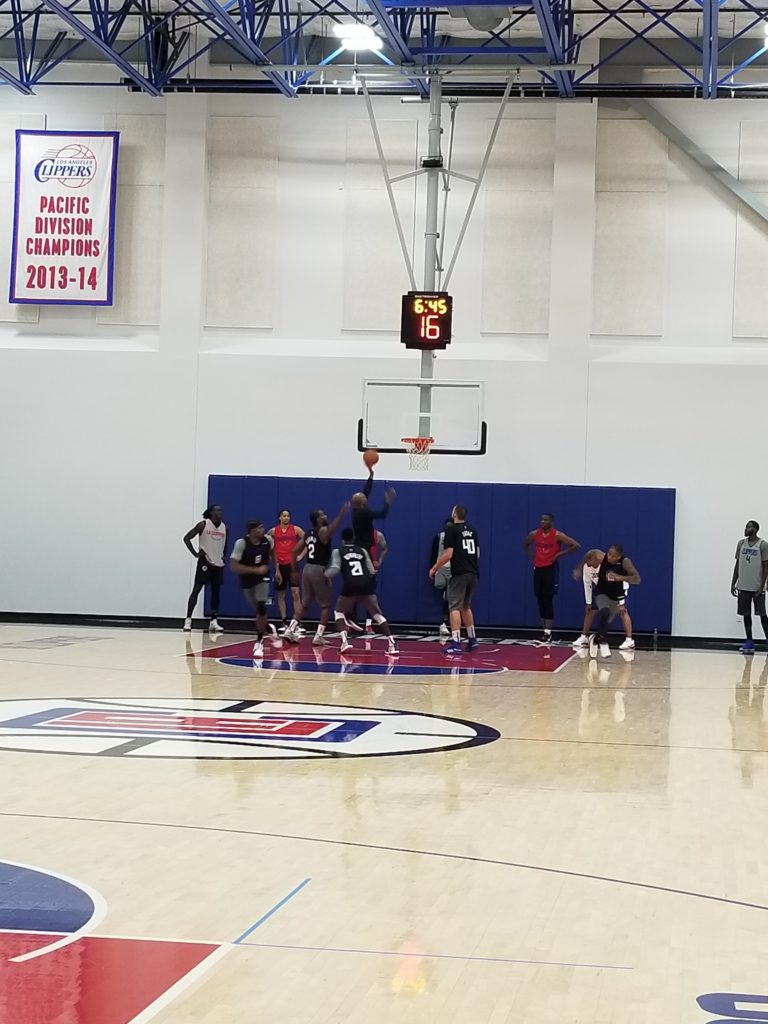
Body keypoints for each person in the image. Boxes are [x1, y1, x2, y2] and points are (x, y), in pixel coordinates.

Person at [284, 502, 349, 645]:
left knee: (305, 602)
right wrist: (341, 515)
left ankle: (290, 629)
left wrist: (294, 570)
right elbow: (332, 528)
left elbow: (294, 551)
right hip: (319, 569)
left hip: (307, 568)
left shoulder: (308, 533)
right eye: (323, 514)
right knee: (325, 605)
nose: (325, 516)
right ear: (319, 519)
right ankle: (319, 636)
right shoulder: (323, 531)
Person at [327, 528, 399, 656]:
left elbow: (335, 569)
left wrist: (325, 575)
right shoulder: (363, 551)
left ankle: (344, 642)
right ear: (354, 538)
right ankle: (392, 642)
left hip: (351, 585)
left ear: (342, 540)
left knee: (338, 611)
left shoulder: (338, 551)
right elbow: (371, 571)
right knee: (376, 614)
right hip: (366, 584)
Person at [429, 505, 480, 656]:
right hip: (473, 572)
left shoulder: (451, 530)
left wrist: (435, 568)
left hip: (460, 573)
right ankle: (472, 639)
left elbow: (449, 554)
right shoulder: (473, 530)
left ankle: (456, 643)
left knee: (454, 607)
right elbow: (477, 553)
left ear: (454, 514)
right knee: (466, 606)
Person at [523, 513, 581, 642]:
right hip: (538, 568)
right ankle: (544, 631)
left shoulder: (557, 535)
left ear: (551, 522)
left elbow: (576, 545)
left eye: (546, 520)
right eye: (541, 519)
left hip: (550, 568)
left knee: (548, 599)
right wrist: (532, 556)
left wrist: (559, 554)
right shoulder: (534, 534)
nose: (543, 521)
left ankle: (548, 632)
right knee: (540, 598)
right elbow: (526, 544)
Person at [576, 545, 641, 659]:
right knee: (594, 611)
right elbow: (587, 584)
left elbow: (631, 579)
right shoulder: (590, 564)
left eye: (612, 556)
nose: (609, 557)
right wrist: (588, 602)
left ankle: (628, 640)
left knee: (621, 612)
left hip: (618, 589)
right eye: (609, 554)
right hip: (602, 591)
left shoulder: (614, 564)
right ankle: (587, 637)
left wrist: (621, 601)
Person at [229, 520, 275, 659]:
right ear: (251, 530)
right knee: (257, 611)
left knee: (261, 607)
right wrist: (255, 570)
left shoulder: (268, 540)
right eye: (260, 528)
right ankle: (268, 628)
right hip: (247, 580)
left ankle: (259, 642)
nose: (263, 530)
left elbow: (274, 553)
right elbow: (234, 567)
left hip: (263, 579)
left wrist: (277, 570)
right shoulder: (241, 543)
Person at [183, 505, 226, 633]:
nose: (220, 511)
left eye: (221, 509)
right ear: (212, 513)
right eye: (218, 510)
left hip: (218, 563)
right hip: (205, 562)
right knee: (196, 589)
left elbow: (225, 544)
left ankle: (213, 621)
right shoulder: (203, 525)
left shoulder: (224, 527)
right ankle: (188, 620)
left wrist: (222, 556)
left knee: (215, 592)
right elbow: (186, 538)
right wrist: (195, 553)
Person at [731, 520, 768, 654]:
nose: (746, 529)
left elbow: (766, 568)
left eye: (748, 527)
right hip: (743, 585)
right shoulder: (741, 544)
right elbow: (737, 564)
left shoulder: (762, 545)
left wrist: (762, 585)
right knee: (746, 614)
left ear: (756, 529)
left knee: (762, 614)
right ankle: (749, 641)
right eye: (746, 526)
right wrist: (733, 582)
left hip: (757, 586)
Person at [268, 510, 305, 632]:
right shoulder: (273, 531)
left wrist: (301, 555)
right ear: (279, 517)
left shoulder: (295, 529)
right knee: (281, 594)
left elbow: (308, 540)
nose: (286, 518)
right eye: (284, 516)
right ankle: (284, 622)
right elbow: (267, 545)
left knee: (295, 593)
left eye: (288, 516)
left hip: (292, 566)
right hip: (280, 565)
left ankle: (297, 623)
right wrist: (274, 561)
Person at [430, 519, 454, 637]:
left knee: (449, 597)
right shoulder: (439, 536)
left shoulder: (456, 537)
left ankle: (445, 623)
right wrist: (432, 569)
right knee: (444, 593)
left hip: (452, 569)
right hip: (441, 568)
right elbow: (434, 554)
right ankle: (445, 622)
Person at [364, 528, 389, 634]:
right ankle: (349, 624)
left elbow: (384, 548)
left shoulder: (377, 535)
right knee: (350, 597)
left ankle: (368, 625)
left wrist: (379, 561)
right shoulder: (356, 533)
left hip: (370, 570)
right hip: (357, 569)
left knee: (370, 597)